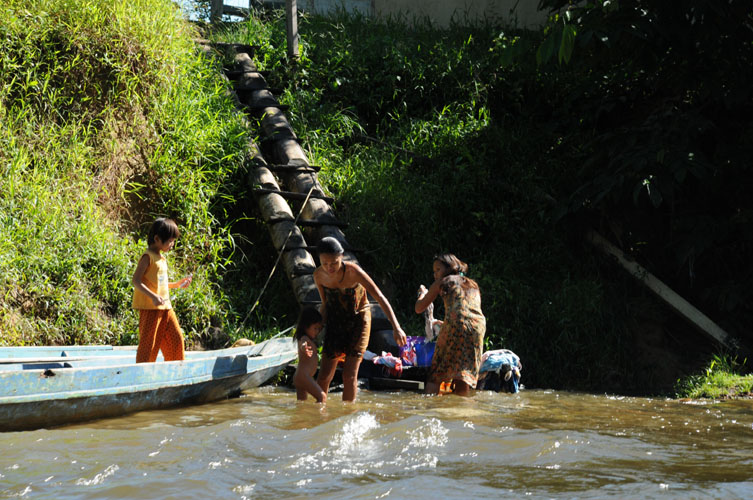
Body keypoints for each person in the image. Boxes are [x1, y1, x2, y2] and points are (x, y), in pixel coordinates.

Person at [314, 237, 407, 402]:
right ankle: (318, 415)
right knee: (323, 376)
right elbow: (325, 304)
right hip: (336, 321)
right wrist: (314, 328)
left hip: (359, 321)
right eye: (324, 263)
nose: (329, 268)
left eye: (334, 263)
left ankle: (348, 415)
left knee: (349, 375)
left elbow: (379, 296)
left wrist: (396, 326)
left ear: (341, 256)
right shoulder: (319, 276)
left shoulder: (354, 272)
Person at [414, 253, 486, 396]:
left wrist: (423, 293)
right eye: (434, 271)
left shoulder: (444, 281)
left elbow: (419, 308)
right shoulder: (473, 284)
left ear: (449, 268)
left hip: (456, 324)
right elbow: (465, 311)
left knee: (435, 375)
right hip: (478, 327)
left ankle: (429, 412)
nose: (435, 274)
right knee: (462, 375)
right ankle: (461, 413)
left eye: (438, 270)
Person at [132, 218, 193, 363]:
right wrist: (153, 296)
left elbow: (161, 284)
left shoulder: (161, 258)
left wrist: (177, 284)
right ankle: (142, 374)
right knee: (149, 345)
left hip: (166, 307)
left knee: (176, 339)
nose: (172, 245)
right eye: (170, 241)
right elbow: (136, 280)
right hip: (151, 309)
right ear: (157, 239)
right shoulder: (148, 257)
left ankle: (175, 370)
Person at [293, 306, 327, 403]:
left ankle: (301, 418)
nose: (317, 332)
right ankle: (319, 417)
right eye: (315, 328)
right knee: (322, 397)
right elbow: (302, 344)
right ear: (305, 326)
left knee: (302, 403)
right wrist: (304, 348)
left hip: (301, 377)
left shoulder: (306, 338)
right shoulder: (304, 338)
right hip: (303, 376)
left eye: (318, 329)